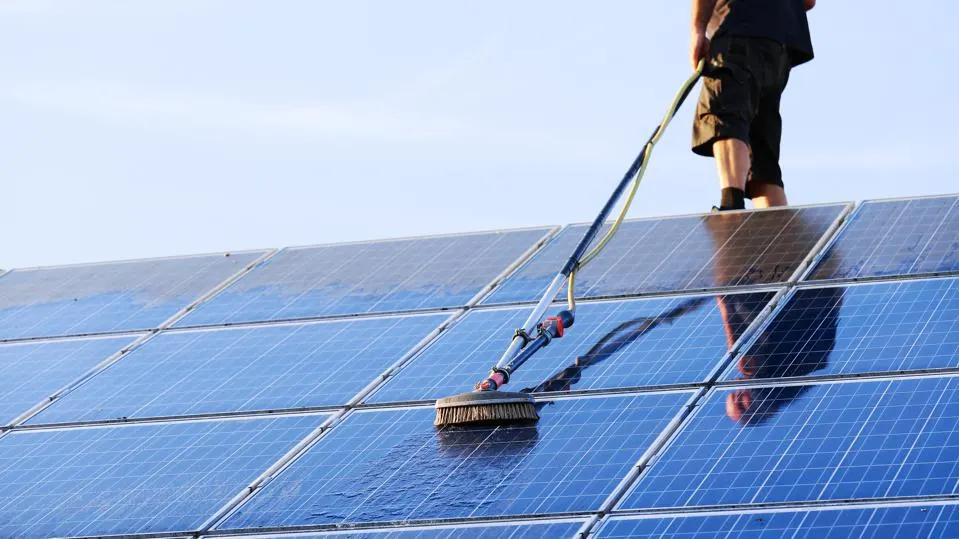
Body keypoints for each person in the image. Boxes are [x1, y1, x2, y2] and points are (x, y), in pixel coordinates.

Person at [690, 0, 817, 211]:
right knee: (761, 151)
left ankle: (731, 206)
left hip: (737, 30)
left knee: (725, 115)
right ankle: (776, 234)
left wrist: (697, 30)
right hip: (780, 46)